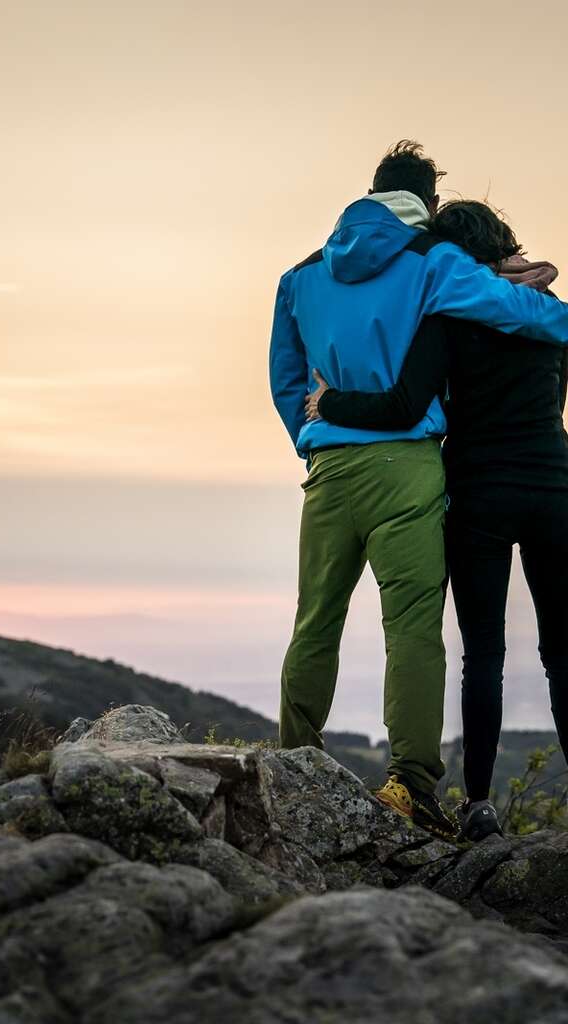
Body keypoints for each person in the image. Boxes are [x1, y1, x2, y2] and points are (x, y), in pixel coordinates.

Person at [269, 141, 568, 839]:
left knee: (316, 619)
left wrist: (312, 441)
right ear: (428, 204)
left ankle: (291, 761)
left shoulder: (299, 275)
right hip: (409, 466)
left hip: (331, 471)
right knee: (412, 631)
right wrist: (544, 300)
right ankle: (412, 783)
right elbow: (517, 314)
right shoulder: (433, 260)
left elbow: (288, 382)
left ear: (368, 193)